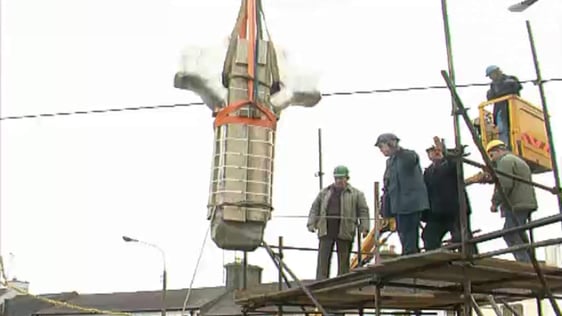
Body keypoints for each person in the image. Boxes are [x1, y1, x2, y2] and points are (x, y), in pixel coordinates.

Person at [307, 165, 370, 280]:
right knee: (323, 259)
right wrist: (311, 223)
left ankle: (342, 282)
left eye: (341, 178)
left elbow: (363, 211)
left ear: (347, 178)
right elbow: (315, 208)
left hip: (345, 230)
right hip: (326, 229)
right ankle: (321, 282)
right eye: (337, 178)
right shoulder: (324, 193)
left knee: (343, 260)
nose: (339, 181)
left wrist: (364, 227)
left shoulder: (356, 194)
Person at [376, 133, 429, 255]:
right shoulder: (390, 162)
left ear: (390, 144)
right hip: (399, 205)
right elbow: (388, 185)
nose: (381, 150)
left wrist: (397, 149)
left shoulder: (408, 156)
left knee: (410, 234)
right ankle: (408, 254)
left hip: (411, 203)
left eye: (382, 147)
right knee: (402, 233)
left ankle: (411, 257)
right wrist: (385, 207)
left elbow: (412, 160)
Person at [422, 139, 477, 255]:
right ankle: (435, 262)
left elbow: (455, 161)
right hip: (438, 212)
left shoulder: (451, 164)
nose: (435, 152)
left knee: (462, 238)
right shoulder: (428, 172)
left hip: (456, 210)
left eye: (437, 150)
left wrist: (446, 153)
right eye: (432, 151)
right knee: (429, 236)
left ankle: (473, 260)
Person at [487, 139, 537, 263]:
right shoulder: (518, 160)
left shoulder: (505, 161)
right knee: (519, 233)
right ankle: (531, 262)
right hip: (525, 201)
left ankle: (525, 263)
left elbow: (504, 184)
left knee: (509, 233)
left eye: (492, 155)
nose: (492, 160)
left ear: (498, 151)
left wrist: (495, 202)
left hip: (516, 204)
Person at [485, 65, 523, 148]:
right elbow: (490, 97)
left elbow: (515, 87)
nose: (491, 78)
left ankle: (512, 145)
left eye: (491, 75)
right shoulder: (493, 86)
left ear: (497, 72)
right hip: (501, 110)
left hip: (512, 108)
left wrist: (500, 91)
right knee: (502, 129)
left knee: (515, 129)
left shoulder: (511, 79)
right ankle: (505, 146)